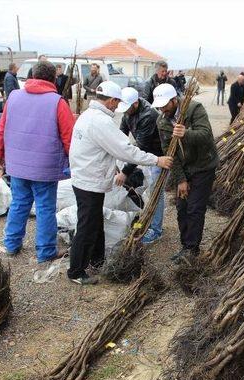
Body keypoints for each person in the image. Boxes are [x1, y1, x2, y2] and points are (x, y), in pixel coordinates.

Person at [67, 81, 173, 285]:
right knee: (88, 226)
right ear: (111, 100)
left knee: (96, 222)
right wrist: (156, 160)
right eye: (117, 103)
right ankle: (76, 271)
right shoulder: (101, 122)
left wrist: (111, 165)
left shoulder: (89, 116)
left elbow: (102, 148)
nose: (117, 107)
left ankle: (97, 261)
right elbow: (126, 149)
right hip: (90, 181)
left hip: (85, 177)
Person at [0, 60, 75, 263]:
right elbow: (69, 138)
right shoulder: (58, 102)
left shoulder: (13, 97)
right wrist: (73, 162)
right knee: (45, 208)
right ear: (54, 78)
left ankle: (12, 244)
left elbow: (2, 129)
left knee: (19, 203)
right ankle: (46, 251)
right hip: (45, 167)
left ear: (32, 75)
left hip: (17, 164)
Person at [152, 83, 218, 261]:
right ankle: (185, 246)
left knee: (195, 208)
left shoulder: (194, 108)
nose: (162, 110)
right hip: (184, 167)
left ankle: (192, 248)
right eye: (159, 107)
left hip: (203, 165)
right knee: (182, 207)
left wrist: (186, 133)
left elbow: (206, 136)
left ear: (174, 100)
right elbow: (169, 153)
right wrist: (181, 179)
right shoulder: (162, 121)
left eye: (165, 106)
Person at [116, 87, 165, 244]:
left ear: (135, 103)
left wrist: (124, 172)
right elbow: (121, 136)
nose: (125, 112)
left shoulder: (148, 116)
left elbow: (140, 147)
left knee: (155, 191)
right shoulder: (128, 111)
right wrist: (115, 155)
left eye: (127, 109)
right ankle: (150, 220)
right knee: (149, 190)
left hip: (158, 156)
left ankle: (156, 230)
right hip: (145, 156)